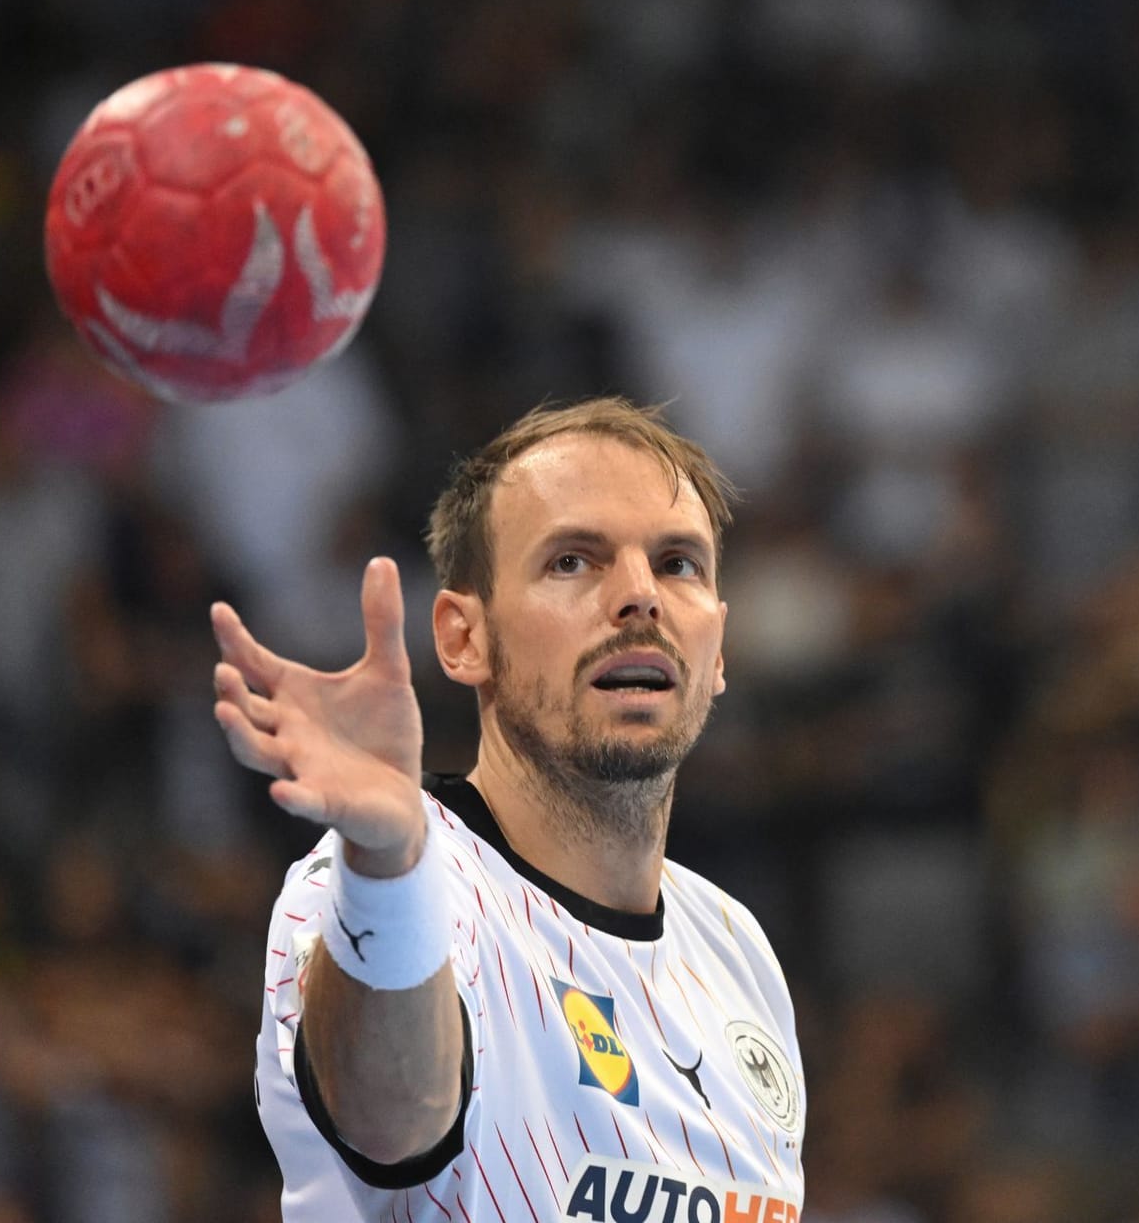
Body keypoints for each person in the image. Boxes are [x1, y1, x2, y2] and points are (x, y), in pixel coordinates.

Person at [217, 398, 806, 1222]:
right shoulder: (386, 892)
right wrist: (385, 865)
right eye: (573, 561)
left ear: (719, 652)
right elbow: (393, 1121)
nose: (640, 596)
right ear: (464, 638)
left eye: (678, 564)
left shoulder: (737, 951)